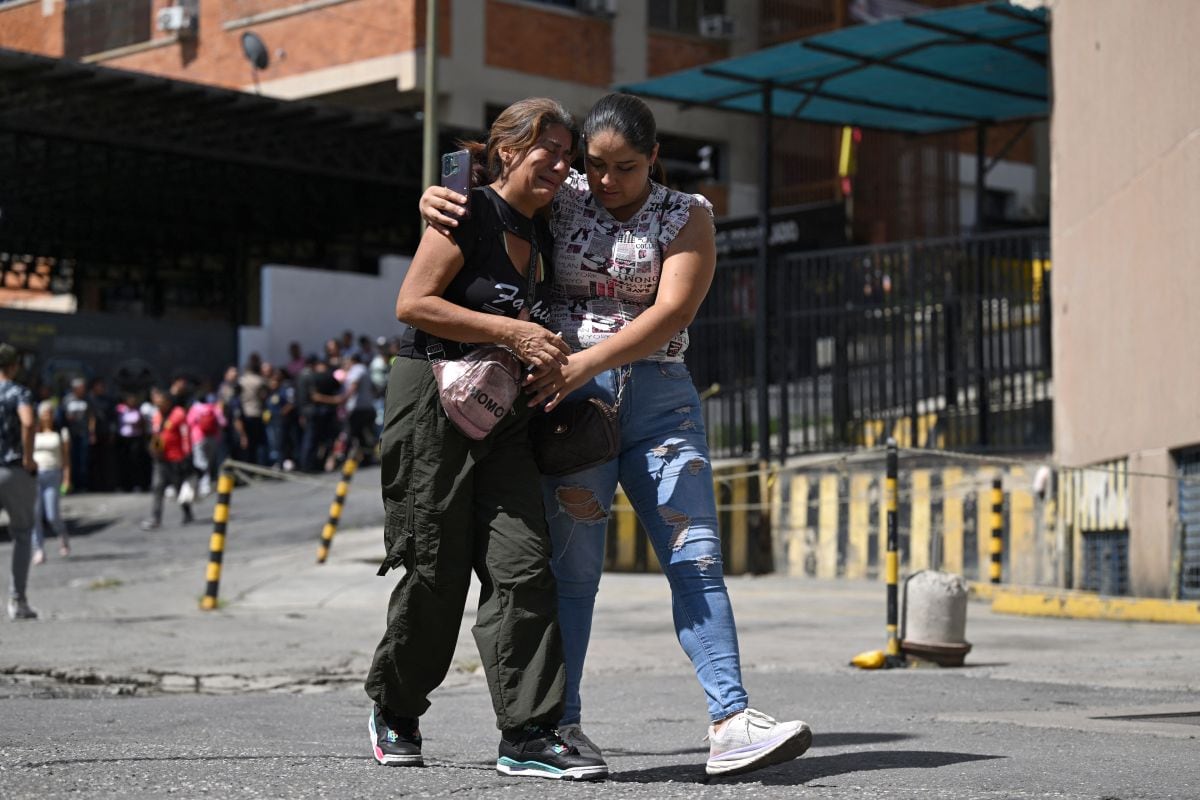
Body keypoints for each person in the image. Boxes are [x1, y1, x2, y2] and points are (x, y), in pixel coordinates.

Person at [421, 92, 811, 778]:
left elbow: (672, 314)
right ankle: (561, 725)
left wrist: (582, 363)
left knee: (695, 558)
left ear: (654, 158)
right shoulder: (566, 193)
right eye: (595, 166)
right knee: (573, 575)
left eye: (625, 167)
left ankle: (731, 721)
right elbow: (492, 182)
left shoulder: (686, 216)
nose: (605, 181)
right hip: (572, 411)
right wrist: (437, 197)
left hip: (659, 404)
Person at [364, 97, 604, 781]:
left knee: (524, 564)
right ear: (508, 151)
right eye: (547, 149)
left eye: (568, 154)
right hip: (432, 396)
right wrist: (513, 332)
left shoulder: (550, 223)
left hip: (505, 413)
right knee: (435, 566)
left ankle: (528, 733)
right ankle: (396, 708)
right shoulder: (465, 211)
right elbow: (412, 303)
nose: (562, 164)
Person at [0, 343, 39, 619]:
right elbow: (27, 421)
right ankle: (18, 600)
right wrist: (28, 457)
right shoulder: (18, 392)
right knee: (22, 534)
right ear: (13, 366)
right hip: (12, 469)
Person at [141, 386, 194, 530]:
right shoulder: (157, 415)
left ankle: (187, 512)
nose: (158, 403)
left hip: (176, 458)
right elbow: (156, 434)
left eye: (161, 401)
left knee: (178, 489)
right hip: (160, 458)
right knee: (157, 487)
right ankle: (155, 518)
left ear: (169, 402)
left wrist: (187, 455)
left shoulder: (178, 414)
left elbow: (185, 436)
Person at [31, 400, 70, 564]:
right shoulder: (33, 432)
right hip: (35, 474)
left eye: (50, 413)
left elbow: (67, 459)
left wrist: (67, 478)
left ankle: (62, 536)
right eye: (44, 413)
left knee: (52, 514)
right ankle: (38, 549)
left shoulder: (61, 433)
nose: (47, 416)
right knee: (35, 514)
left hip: (53, 473)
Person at [57, 376, 93, 492]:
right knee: (71, 459)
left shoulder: (87, 399)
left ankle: (82, 484)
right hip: (70, 434)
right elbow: (62, 416)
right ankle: (71, 483)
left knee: (83, 459)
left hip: (83, 433)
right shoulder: (67, 399)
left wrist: (92, 431)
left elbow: (91, 416)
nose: (82, 389)